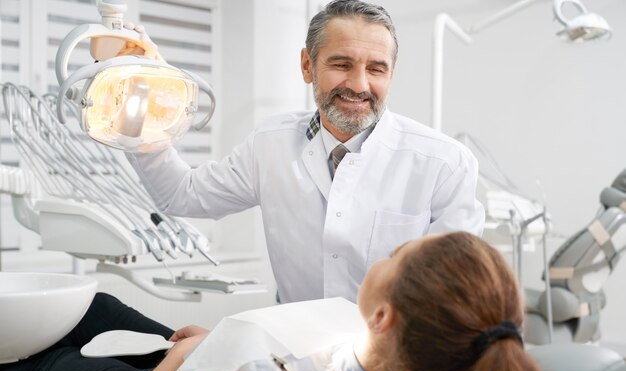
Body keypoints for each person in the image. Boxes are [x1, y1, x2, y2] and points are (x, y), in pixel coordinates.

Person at [122, 0, 485, 303]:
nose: (359, 85)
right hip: (294, 352)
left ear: (391, 75)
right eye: (341, 64)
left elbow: (454, 295)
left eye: (376, 69)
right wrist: (137, 108)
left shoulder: (444, 164)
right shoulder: (270, 144)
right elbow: (181, 195)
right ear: (307, 66)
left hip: (394, 358)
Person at [0, 232, 542, 371]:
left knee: (49, 355)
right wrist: (214, 347)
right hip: (210, 362)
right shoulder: (409, 367)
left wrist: (177, 361)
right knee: (95, 306)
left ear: (383, 317)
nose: (382, 257)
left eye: (395, 257)